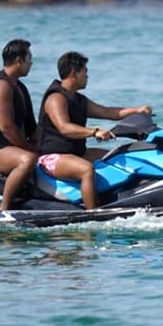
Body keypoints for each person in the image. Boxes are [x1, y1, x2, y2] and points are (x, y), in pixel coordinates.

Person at [34, 51, 151, 210]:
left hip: (76, 153)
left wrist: (137, 110)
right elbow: (64, 127)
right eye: (85, 71)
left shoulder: (79, 99)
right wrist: (94, 132)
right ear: (73, 73)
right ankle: (92, 213)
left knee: (116, 156)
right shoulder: (56, 98)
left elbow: (107, 112)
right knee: (86, 170)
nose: (87, 76)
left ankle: (120, 198)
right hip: (52, 157)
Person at [0, 38, 38, 211]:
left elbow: (32, 129)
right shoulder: (0, 86)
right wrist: (31, 150)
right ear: (19, 61)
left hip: (13, 146)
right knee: (28, 160)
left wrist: (51, 143)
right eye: (29, 58)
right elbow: (7, 129)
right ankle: (4, 209)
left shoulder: (20, 87)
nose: (31, 63)